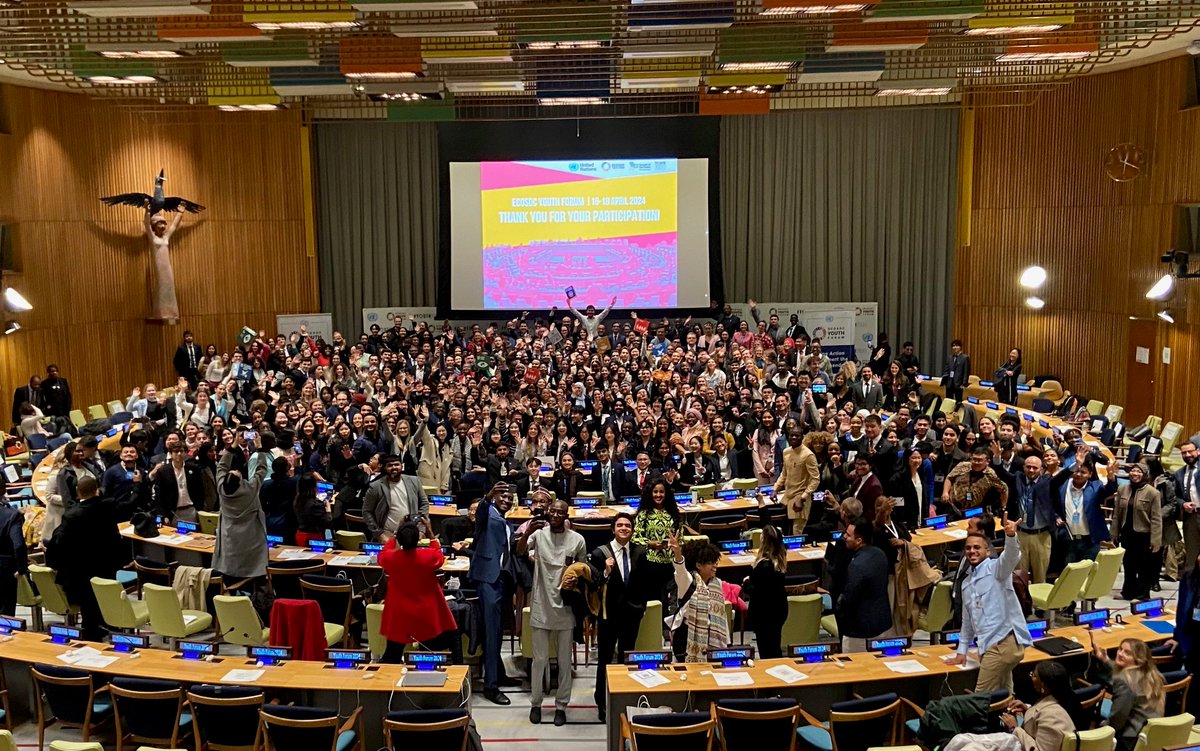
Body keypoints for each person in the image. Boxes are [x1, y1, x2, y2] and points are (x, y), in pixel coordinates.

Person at [519, 499, 586, 726]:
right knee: (539, 660)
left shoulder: (577, 540)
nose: (556, 515)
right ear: (548, 513)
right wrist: (528, 529)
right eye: (553, 511)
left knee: (565, 661)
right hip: (541, 604)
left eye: (561, 512)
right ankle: (536, 703)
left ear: (567, 516)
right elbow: (519, 551)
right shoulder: (538, 535)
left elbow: (583, 570)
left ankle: (561, 705)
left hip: (565, 608)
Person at [950, 512, 1032, 692]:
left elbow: (1011, 557)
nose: (972, 551)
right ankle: (1011, 718)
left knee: (980, 698)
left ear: (987, 551)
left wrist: (1010, 536)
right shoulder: (966, 584)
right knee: (1005, 696)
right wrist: (961, 651)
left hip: (1004, 644)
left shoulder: (997, 570)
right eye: (968, 548)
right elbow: (967, 623)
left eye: (977, 548)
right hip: (987, 646)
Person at [46, 476, 130, 640]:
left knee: (88, 604)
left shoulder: (72, 515)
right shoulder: (109, 506)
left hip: (82, 569)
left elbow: (61, 542)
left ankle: (92, 635)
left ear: (78, 492)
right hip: (107, 564)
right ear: (97, 489)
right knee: (107, 596)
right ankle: (111, 625)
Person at [590, 512, 647, 720]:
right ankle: (602, 703)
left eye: (628, 525)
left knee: (627, 658)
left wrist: (641, 606)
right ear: (613, 529)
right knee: (605, 659)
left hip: (632, 613)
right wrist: (605, 572)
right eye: (620, 525)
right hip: (608, 615)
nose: (624, 528)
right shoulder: (599, 554)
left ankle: (625, 698)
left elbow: (644, 582)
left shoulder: (640, 552)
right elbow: (593, 586)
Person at [378, 521, 458, 662]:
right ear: (419, 539)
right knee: (428, 655)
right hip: (425, 613)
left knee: (392, 655)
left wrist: (396, 535)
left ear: (399, 539)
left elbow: (384, 553)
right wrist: (430, 532)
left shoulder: (390, 558)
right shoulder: (427, 556)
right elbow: (438, 554)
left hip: (399, 613)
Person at [469, 482, 517, 706]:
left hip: (503, 579)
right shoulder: (487, 514)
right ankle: (491, 686)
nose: (506, 500)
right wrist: (487, 496)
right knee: (491, 631)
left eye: (509, 498)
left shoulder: (507, 522)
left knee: (498, 631)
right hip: (488, 577)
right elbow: (479, 513)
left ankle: (498, 673)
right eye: (502, 497)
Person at [1089, 638, 1164, 751]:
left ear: (1138, 659)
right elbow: (1122, 671)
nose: (1120, 654)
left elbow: (1117, 720)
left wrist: (1097, 733)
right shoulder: (1154, 675)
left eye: (1127, 653)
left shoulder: (1124, 681)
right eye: (1120, 649)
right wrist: (1105, 659)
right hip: (1151, 735)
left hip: (1129, 740)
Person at [668, 532, 730, 662]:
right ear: (698, 565)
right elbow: (680, 568)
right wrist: (677, 553)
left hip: (711, 636)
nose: (715, 566)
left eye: (715, 561)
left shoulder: (717, 583)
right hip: (687, 635)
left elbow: (721, 615)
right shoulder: (688, 581)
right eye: (710, 562)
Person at [213, 447, 269, 583]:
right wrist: (261, 449)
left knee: (230, 572)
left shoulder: (222, 488)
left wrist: (231, 448)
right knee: (254, 572)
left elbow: (221, 467)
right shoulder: (250, 489)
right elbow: (261, 470)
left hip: (230, 539)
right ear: (240, 482)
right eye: (237, 473)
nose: (237, 471)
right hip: (251, 540)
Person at [1001, 661, 1083, 751]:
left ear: (1044, 686)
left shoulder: (1053, 717)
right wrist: (1028, 710)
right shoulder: (1064, 699)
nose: (1031, 677)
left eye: (1034, 675)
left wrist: (1014, 728)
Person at [837, 518, 892, 652]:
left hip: (859, 630)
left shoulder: (857, 565)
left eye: (848, 535)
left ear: (859, 541)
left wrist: (840, 608)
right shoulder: (880, 554)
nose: (844, 536)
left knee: (855, 669)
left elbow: (849, 597)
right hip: (882, 622)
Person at [1111, 462, 1163, 601]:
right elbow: (1117, 513)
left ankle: (1142, 594)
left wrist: (1156, 540)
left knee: (1144, 566)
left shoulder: (1153, 492)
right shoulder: (1123, 489)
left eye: (1139, 472)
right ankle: (1128, 592)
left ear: (1145, 475)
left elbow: (1156, 518)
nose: (1135, 474)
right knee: (1129, 564)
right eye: (1133, 471)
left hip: (1144, 534)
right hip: (1127, 533)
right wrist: (1114, 533)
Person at [1013, 454, 1059, 585]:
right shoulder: (1018, 480)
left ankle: (1038, 604)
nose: (1031, 470)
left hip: (1041, 536)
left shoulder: (1048, 482)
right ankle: (1021, 605)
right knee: (1019, 577)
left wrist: (1076, 465)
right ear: (1023, 467)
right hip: (1021, 534)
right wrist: (997, 459)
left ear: (1041, 469)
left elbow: (1062, 477)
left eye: (1035, 467)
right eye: (1028, 467)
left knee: (1040, 577)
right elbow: (1002, 473)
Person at [744, 524, 788, 658]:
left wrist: (746, 582)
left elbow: (754, 590)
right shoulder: (780, 560)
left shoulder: (763, 565)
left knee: (766, 650)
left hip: (763, 613)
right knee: (775, 645)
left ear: (764, 540)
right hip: (779, 610)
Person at [362, 455, 429, 542]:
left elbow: (424, 504)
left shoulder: (414, 481)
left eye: (397, 465)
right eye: (390, 465)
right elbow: (366, 512)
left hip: (411, 534)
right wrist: (379, 534)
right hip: (387, 535)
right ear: (385, 468)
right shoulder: (375, 486)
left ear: (402, 466)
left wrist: (421, 530)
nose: (394, 467)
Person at [774, 429, 820, 534]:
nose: (794, 438)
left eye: (797, 436)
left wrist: (804, 497)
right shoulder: (786, 452)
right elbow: (784, 473)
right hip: (788, 494)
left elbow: (815, 479)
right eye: (792, 435)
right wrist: (775, 489)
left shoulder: (808, 455)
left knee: (797, 531)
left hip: (801, 495)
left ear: (802, 437)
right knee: (786, 530)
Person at [151, 443, 204, 523]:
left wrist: (199, 509)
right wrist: (163, 515)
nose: (179, 454)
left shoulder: (194, 468)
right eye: (176, 451)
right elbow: (159, 495)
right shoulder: (163, 471)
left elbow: (200, 490)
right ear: (171, 454)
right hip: (173, 511)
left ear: (185, 453)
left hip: (191, 509)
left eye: (181, 451)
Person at [0, 475, 28, 615]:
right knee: (6, 615)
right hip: (4, 570)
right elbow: (18, 544)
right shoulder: (12, 515)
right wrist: (22, 568)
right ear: (4, 491)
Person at [1176, 441, 1200, 574]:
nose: (1187, 455)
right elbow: (1176, 497)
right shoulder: (1179, 474)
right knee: (1192, 554)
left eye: (1190, 451)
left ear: (1198, 451)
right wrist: (1183, 504)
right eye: (1184, 453)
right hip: (1191, 517)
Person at [941, 339, 971, 403]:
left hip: (959, 384)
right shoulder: (950, 358)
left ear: (960, 347)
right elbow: (946, 370)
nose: (955, 347)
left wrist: (964, 384)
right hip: (949, 383)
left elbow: (966, 372)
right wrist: (944, 381)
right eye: (953, 346)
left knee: (958, 401)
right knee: (948, 401)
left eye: (957, 346)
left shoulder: (965, 358)